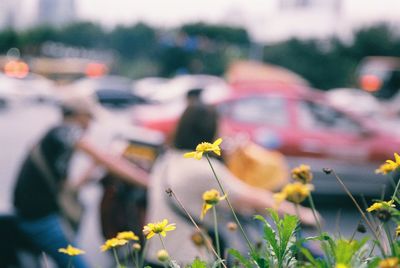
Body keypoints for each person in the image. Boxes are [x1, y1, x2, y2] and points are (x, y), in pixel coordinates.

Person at [144, 104, 319, 266]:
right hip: (187, 260)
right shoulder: (202, 168)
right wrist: (302, 213)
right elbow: (249, 197)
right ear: (209, 130)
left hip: (155, 254)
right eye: (221, 126)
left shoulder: (168, 159)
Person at [12, 94, 148, 268]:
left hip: (39, 213)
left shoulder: (56, 137)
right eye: (89, 118)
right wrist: (149, 182)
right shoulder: (65, 130)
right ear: (78, 115)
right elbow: (105, 159)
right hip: (39, 217)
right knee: (77, 264)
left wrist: (93, 168)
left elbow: (72, 187)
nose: (89, 124)